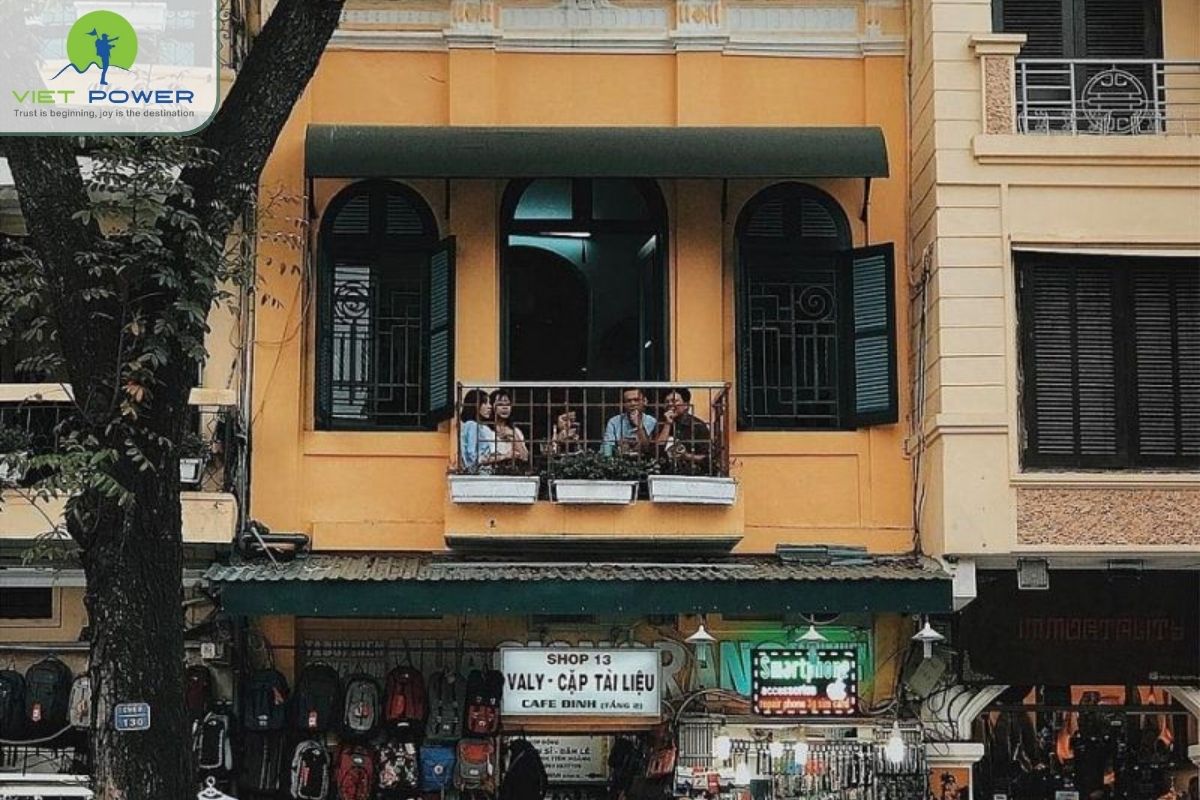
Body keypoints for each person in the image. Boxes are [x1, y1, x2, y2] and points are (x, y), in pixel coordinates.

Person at [653, 388, 710, 472]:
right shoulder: (660, 424)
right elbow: (655, 450)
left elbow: (707, 457)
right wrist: (667, 424)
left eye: (674, 401)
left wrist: (686, 456)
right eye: (667, 402)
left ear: (686, 405)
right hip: (665, 473)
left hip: (691, 474)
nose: (670, 404)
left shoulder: (698, 426)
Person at [602, 387, 655, 456]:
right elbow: (607, 449)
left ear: (645, 401)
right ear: (624, 404)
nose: (632, 404)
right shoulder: (614, 422)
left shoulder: (652, 421)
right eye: (628, 401)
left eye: (636, 400)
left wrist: (639, 426)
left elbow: (648, 449)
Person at [490, 389, 529, 467]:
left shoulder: (516, 431)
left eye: (508, 404)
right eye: (500, 404)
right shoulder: (486, 429)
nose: (505, 407)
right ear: (492, 406)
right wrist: (505, 456)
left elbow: (525, 457)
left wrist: (513, 435)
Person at [458, 389, 495, 472]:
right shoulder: (472, 425)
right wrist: (503, 456)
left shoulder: (476, 426)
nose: (490, 406)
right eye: (485, 403)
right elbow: (472, 455)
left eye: (489, 403)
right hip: (479, 472)